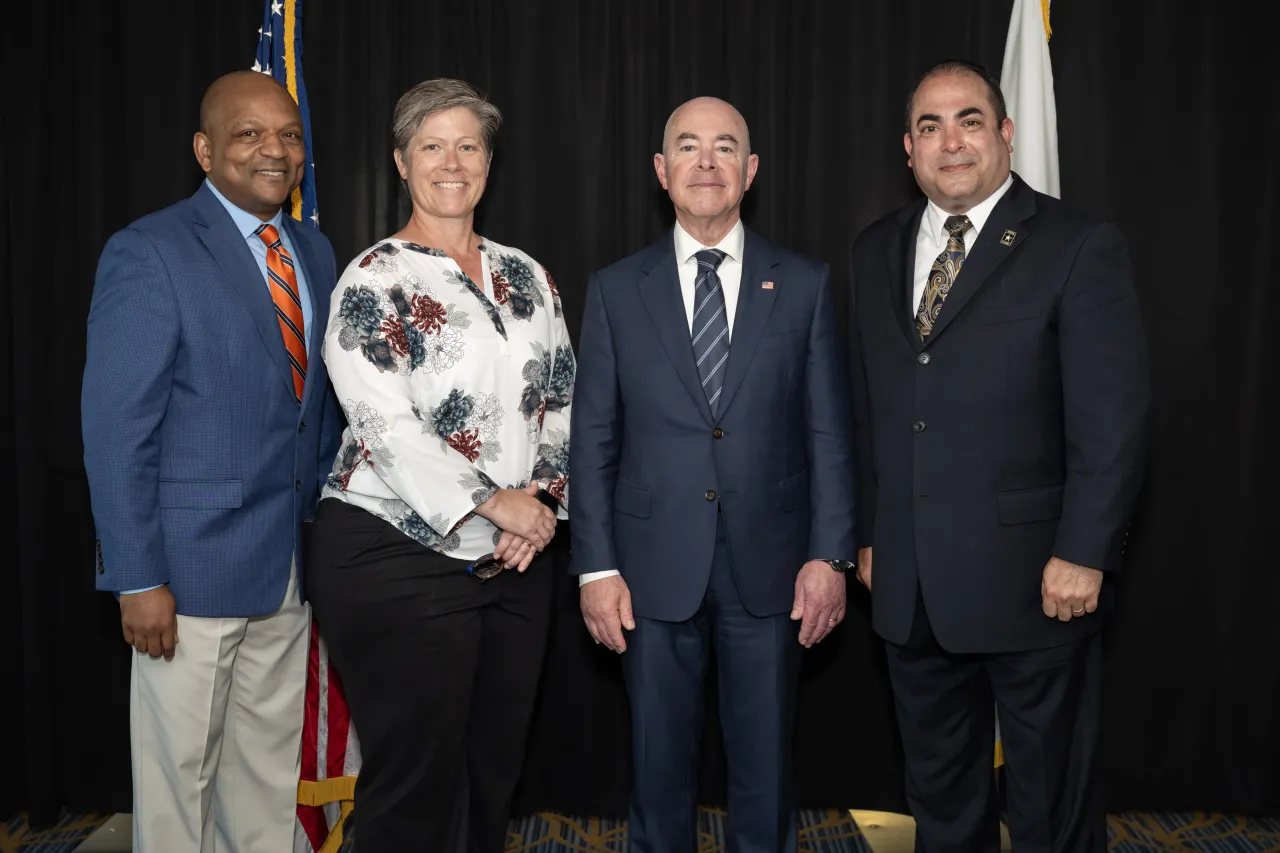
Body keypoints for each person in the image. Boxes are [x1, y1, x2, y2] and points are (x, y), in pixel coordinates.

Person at [847, 60, 1151, 852]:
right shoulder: (873, 250)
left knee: (1051, 805)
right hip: (910, 585)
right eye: (930, 126)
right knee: (941, 798)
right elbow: (869, 405)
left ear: (1005, 133)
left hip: (1038, 584)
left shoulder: (1078, 245)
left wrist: (1085, 552)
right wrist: (869, 533)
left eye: (970, 120)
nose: (951, 142)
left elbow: (1112, 418)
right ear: (907, 148)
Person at [570, 96, 856, 853]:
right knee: (658, 767)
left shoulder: (805, 284)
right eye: (688, 147)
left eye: (725, 146)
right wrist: (594, 566)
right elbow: (593, 436)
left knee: (765, 768)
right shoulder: (614, 289)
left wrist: (830, 557)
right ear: (662, 172)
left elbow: (830, 432)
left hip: (773, 568)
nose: (706, 161)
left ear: (750, 170)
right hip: (648, 567)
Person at [305, 78, 571, 853]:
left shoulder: (528, 275)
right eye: (432, 146)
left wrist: (543, 504)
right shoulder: (372, 278)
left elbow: (562, 399)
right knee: (413, 782)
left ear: (488, 162)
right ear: (401, 161)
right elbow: (383, 423)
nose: (451, 162)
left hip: (517, 557)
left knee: (491, 769)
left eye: (469, 146)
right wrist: (496, 504)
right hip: (392, 553)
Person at [81, 70, 342, 852]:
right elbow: (116, 428)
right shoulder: (148, 251)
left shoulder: (316, 251)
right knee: (177, 778)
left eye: (289, 136)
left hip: (286, 564)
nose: (275, 150)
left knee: (263, 771)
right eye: (250, 134)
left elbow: (315, 415)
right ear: (204, 149)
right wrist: (136, 575)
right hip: (183, 577)